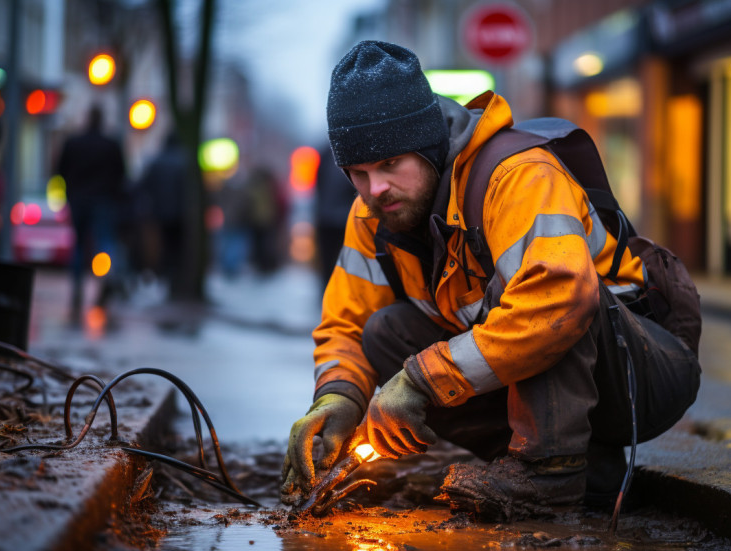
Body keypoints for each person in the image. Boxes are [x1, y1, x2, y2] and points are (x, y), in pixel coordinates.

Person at [280, 41, 701, 521]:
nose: (375, 188)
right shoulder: (373, 212)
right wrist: (338, 396)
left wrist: (422, 379)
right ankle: (583, 470)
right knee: (386, 332)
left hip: (642, 376)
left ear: (429, 146)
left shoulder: (518, 176)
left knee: (534, 291)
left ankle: (548, 473)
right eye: (358, 173)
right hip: (570, 380)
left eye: (391, 164)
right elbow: (348, 323)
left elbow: (558, 297)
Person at [55, 105, 126, 322]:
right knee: (105, 243)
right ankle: (106, 281)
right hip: (103, 200)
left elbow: (59, 170)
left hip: (78, 199)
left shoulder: (73, 143)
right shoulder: (111, 145)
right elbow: (122, 174)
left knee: (78, 245)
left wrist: (70, 190)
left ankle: (76, 289)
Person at [134, 131, 187, 295]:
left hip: (160, 212)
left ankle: (165, 277)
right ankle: (175, 278)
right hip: (180, 213)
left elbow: (142, 186)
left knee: (163, 246)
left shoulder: (157, 161)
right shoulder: (185, 162)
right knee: (178, 247)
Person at [313, 144, 356, 290]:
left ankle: (331, 290)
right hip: (339, 217)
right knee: (341, 260)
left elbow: (318, 184)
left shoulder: (325, 153)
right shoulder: (348, 152)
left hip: (329, 217)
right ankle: (333, 291)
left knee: (331, 260)